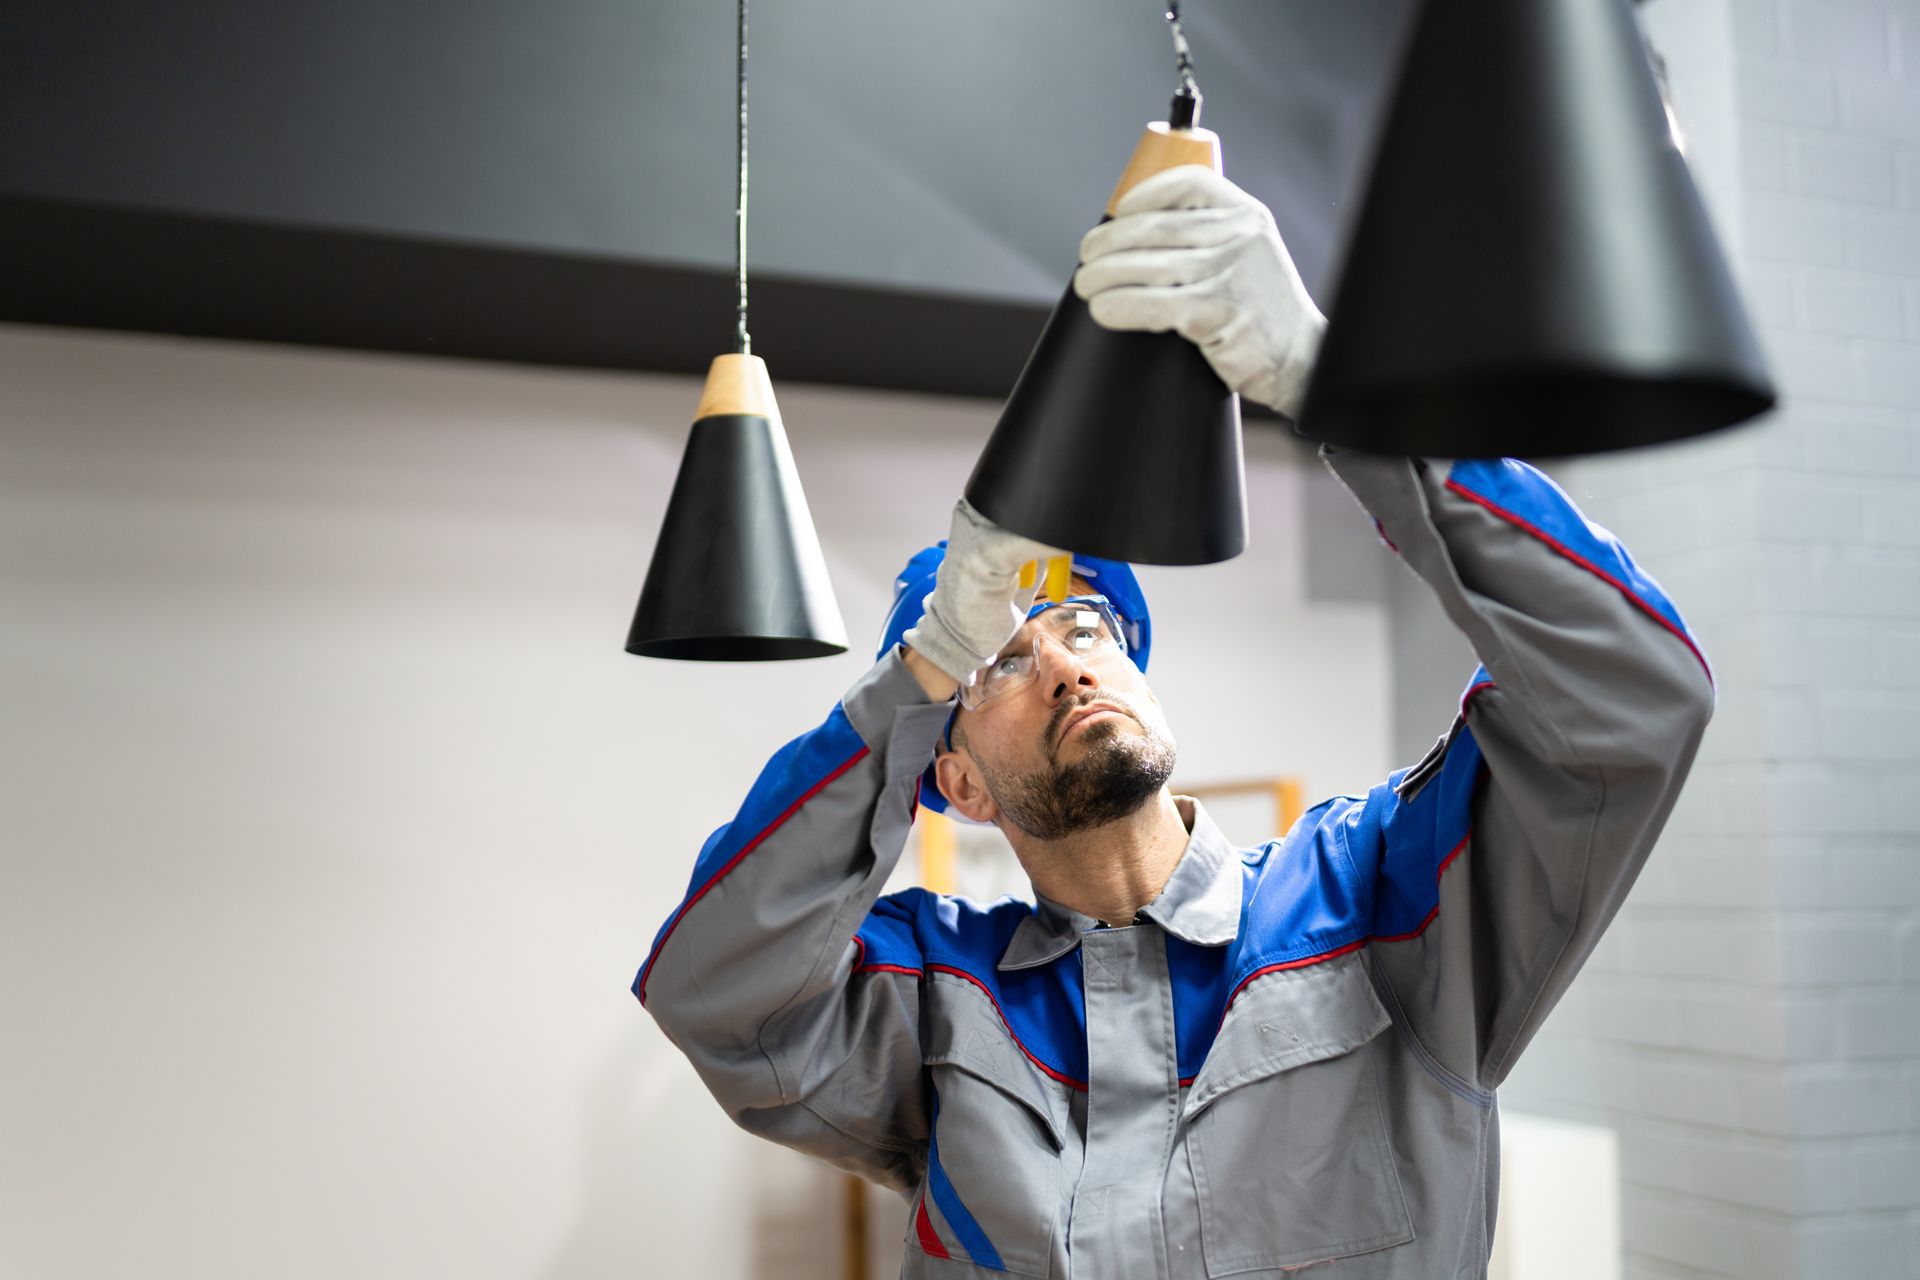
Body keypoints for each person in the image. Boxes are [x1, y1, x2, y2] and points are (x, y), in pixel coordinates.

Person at [633, 167, 1714, 1278]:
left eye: (1087, 629)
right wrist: (922, 669)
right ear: (953, 779)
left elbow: (1633, 699)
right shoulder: (936, 999)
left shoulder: (1385, 895)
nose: (1062, 665)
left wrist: (1337, 392)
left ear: (1144, 677)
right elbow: (716, 992)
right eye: (1001, 659)